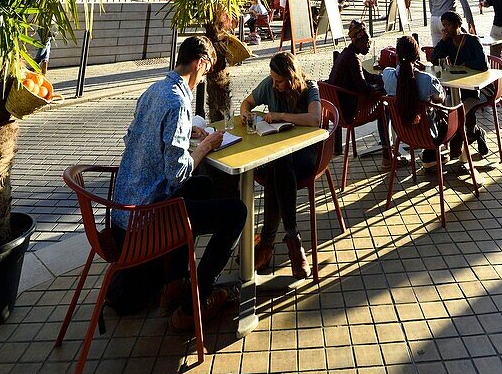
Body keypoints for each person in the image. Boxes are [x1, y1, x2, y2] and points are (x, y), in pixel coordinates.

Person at [111, 36, 247, 327]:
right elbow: (177, 174)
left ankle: (173, 282)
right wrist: (205, 145)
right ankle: (195, 300)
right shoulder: (178, 102)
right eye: (208, 70)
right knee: (236, 212)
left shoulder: (155, 90)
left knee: (203, 187)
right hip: (146, 221)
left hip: (122, 214)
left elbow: (135, 139)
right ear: (199, 64)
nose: (206, 77)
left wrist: (186, 137)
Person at [240, 52, 321, 278]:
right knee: (279, 163)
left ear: (292, 77)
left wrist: (281, 116)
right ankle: (293, 241)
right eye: (273, 80)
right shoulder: (270, 84)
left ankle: (266, 244)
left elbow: (315, 119)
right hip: (279, 159)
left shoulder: (309, 87)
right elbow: (246, 102)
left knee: (279, 165)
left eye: (280, 81)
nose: (275, 85)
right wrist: (246, 114)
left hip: (305, 157)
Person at [329, 21, 391, 167]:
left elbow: (364, 76)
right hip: (350, 111)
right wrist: (380, 89)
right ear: (358, 41)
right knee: (386, 106)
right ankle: (387, 155)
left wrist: (380, 78)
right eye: (367, 42)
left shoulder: (346, 54)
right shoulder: (353, 59)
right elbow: (364, 89)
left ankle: (387, 148)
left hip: (339, 108)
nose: (369, 46)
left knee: (381, 94)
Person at [432, 11, 490, 157]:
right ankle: (474, 133)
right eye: (443, 25)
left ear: (457, 25)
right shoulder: (449, 42)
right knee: (451, 111)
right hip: (458, 89)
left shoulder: (472, 41)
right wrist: (443, 40)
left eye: (448, 25)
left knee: (460, 113)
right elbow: (434, 59)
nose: (445, 29)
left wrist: (465, 64)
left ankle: (463, 140)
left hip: (478, 90)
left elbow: (483, 64)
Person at [382, 35, 446, 165]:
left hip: (402, 132)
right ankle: (431, 154)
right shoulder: (427, 80)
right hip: (428, 134)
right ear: (417, 56)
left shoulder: (388, 75)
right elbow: (440, 98)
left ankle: (430, 155)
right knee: (451, 111)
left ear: (397, 56)